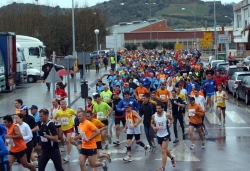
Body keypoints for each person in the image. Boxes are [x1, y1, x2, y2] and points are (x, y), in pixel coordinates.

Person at [151, 103, 176, 171]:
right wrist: (154, 127)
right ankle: (172, 158)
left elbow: (172, 119)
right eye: (157, 108)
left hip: (166, 134)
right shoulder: (154, 116)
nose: (157, 110)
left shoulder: (166, 115)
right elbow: (151, 122)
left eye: (159, 108)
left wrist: (170, 124)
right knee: (164, 150)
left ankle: (162, 168)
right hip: (158, 135)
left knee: (163, 150)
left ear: (162, 108)